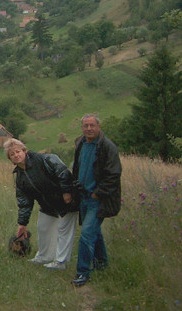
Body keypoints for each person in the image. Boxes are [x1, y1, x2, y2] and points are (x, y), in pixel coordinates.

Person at [4, 138, 79, 270]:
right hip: (47, 206)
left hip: (66, 202)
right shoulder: (20, 177)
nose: (16, 155)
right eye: (12, 154)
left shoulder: (44, 159)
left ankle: (60, 262)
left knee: (63, 231)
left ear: (24, 151)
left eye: (18, 151)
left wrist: (67, 192)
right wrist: (22, 224)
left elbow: (63, 172)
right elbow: (24, 202)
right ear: (10, 159)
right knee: (42, 228)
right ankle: (44, 257)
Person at [71, 114, 122, 287]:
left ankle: (82, 273)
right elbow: (77, 168)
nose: (89, 129)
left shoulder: (107, 147)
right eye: (85, 126)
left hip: (97, 199)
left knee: (86, 234)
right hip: (83, 196)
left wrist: (98, 194)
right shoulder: (81, 144)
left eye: (92, 125)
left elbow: (113, 174)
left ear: (98, 126)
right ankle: (102, 263)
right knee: (94, 232)